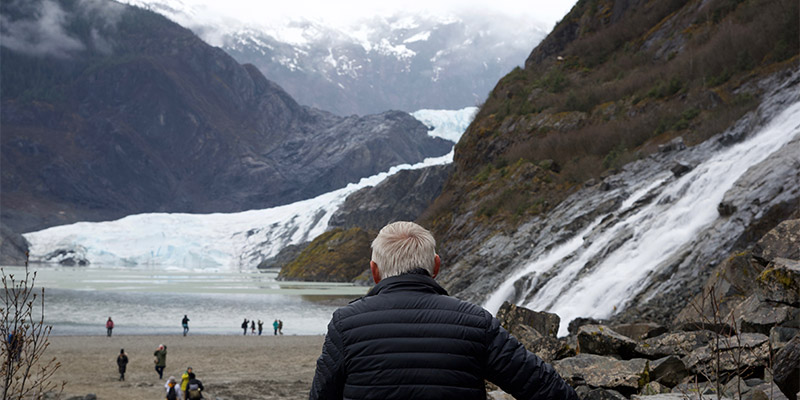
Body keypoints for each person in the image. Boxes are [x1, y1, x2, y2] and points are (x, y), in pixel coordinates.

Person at [309, 221, 579, 400]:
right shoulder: (474, 321)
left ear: (374, 271)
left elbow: (321, 396)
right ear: (436, 266)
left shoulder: (345, 323)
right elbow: (546, 388)